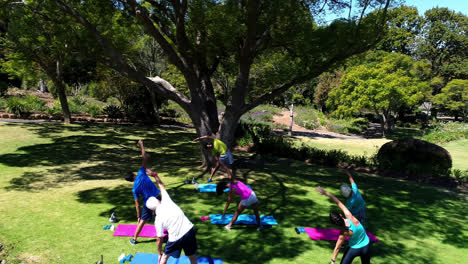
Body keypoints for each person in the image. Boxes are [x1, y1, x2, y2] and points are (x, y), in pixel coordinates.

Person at [145, 169, 198, 264]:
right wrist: (155, 175)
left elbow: (159, 239)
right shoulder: (166, 199)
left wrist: (159, 253)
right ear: (158, 201)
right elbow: (161, 185)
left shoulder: (157, 220)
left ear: (152, 210)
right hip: (189, 230)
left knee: (164, 257)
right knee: (192, 256)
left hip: (175, 238)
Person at [316, 186, 371, 264]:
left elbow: (337, 248)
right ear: (341, 215)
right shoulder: (349, 215)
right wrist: (325, 192)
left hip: (354, 249)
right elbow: (338, 202)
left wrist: (333, 261)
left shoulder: (343, 233)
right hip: (366, 245)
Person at [124, 140, 161, 246]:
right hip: (158, 197)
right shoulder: (141, 172)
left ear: (130, 181)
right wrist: (141, 145)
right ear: (133, 174)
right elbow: (145, 157)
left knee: (143, 221)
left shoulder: (134, 189)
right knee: (165, 215)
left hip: (148, 203)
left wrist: (138, 216)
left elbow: (137, 204)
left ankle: (134, 239)